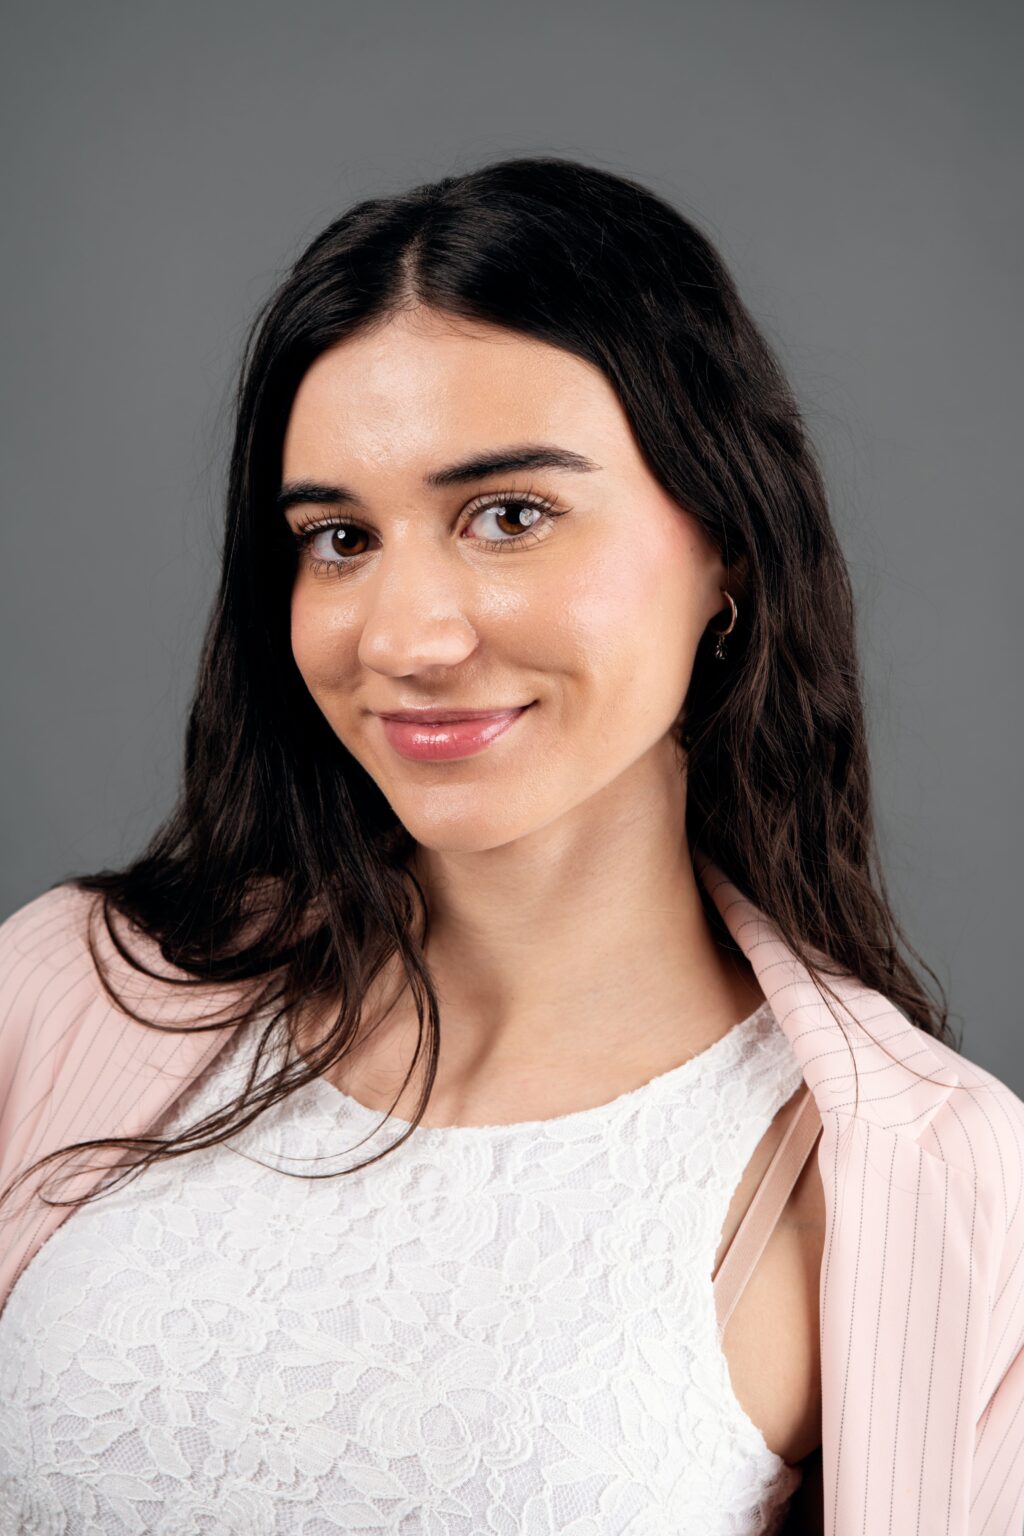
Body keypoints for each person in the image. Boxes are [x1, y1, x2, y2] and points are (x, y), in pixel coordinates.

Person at [0, 155, 1021, 1536]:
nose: (406, 637)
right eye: (339, 537)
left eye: (512, 515)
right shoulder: (70, 986)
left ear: (728, 545)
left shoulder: (923, 1180)